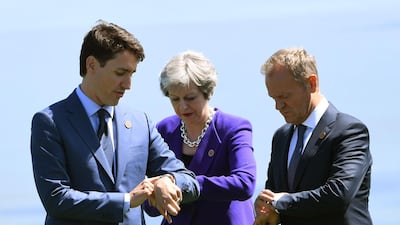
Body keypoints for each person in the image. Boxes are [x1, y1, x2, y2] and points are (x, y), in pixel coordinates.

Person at [30, 20, 200, 225]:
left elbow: (188, 179)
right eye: (120, 73)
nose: (128, 85)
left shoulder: (140, 122)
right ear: (91, 65)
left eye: (131, 74)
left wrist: (168, 181)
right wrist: (127, 201)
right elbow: (56, 198)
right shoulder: (50, 122)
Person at [253, 47, 373, 225]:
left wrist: (280, 202)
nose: (278, 106)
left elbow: (338, 194)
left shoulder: (350, 131)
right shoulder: (281, 136)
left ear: (311, 84)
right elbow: (274, 196)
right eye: (273, 98)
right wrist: (267, 208)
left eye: (284, 96)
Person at [144, 50, 257, 225]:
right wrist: (155, 194)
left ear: (207, 92)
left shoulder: (233, 128)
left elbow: (244, 183)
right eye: (174, 99)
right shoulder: (164, 129)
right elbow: (150, 203)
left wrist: (182, 183)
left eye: (190, 98)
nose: (182, 106)